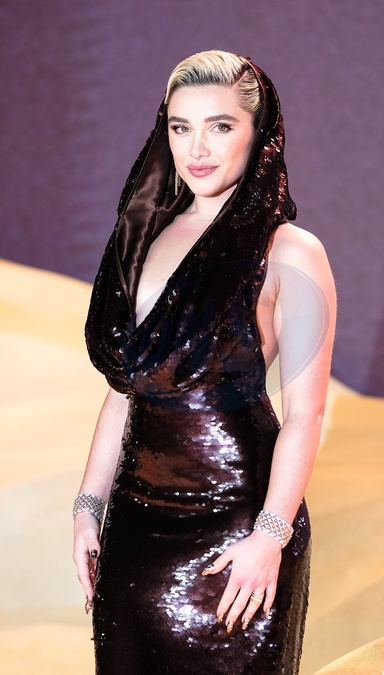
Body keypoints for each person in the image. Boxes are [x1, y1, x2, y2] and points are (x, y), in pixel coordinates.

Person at [73, 50, 336, 674]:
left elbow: (307, 413)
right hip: (134, 530)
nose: (197, 148)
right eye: (180, 126)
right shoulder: (141, 236)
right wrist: (88, 509)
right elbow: (126, 388)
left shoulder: (291, 251)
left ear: (259, 134)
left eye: (220, 126)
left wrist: (270, 536)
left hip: (240, 529)